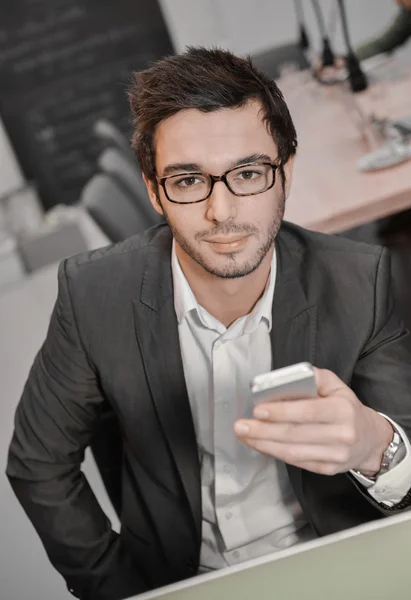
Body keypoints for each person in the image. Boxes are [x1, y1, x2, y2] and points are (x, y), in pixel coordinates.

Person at [6, 47, 411, 600]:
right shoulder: (92, 293)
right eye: (189, 180)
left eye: (247, 173)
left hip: (336, 566)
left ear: (285, 173)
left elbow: (406, 473)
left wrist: (376, 446)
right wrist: (115, 588)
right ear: (154, 190)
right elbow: (37, 465)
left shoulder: (362, 282)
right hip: (181, 581)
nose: (221, 212)